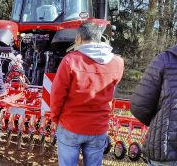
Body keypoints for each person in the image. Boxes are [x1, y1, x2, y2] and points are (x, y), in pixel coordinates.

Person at [50, 21, 124, 166]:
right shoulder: (117, 63)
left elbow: (57, 95)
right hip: (98, 127)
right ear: (99, 38)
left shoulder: (70, 61)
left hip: (70, 125)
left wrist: (55, 118)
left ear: (78, 39)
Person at [130, 46, 177, 166]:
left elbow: (139, 106)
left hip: (165, 149)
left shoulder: (163, 60)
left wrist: (158, 123)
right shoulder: (163, 61)